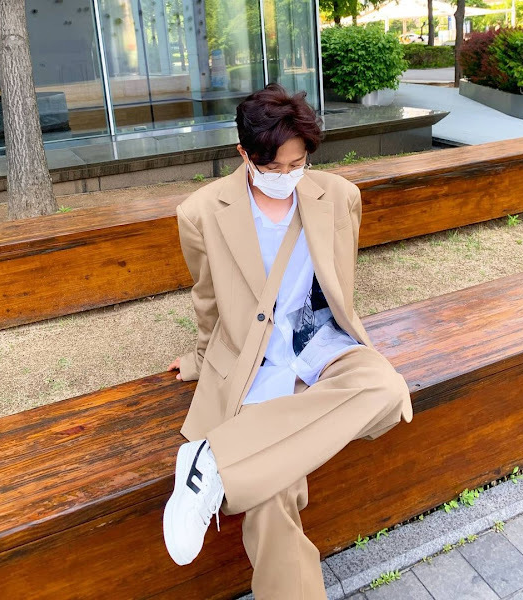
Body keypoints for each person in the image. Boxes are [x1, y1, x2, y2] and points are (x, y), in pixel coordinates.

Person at [163, 83, 413, 599]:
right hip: (255, 367)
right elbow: (208, 300)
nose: (286, 175)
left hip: (320, 348)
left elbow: (337, 285)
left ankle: (217, 460)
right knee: (271, 494)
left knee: (388, 391)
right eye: (272, 167)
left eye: (297, 164)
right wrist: (201, 360)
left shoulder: (339, 197)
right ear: (244, 154)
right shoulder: (202, 212)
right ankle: (221, 466)